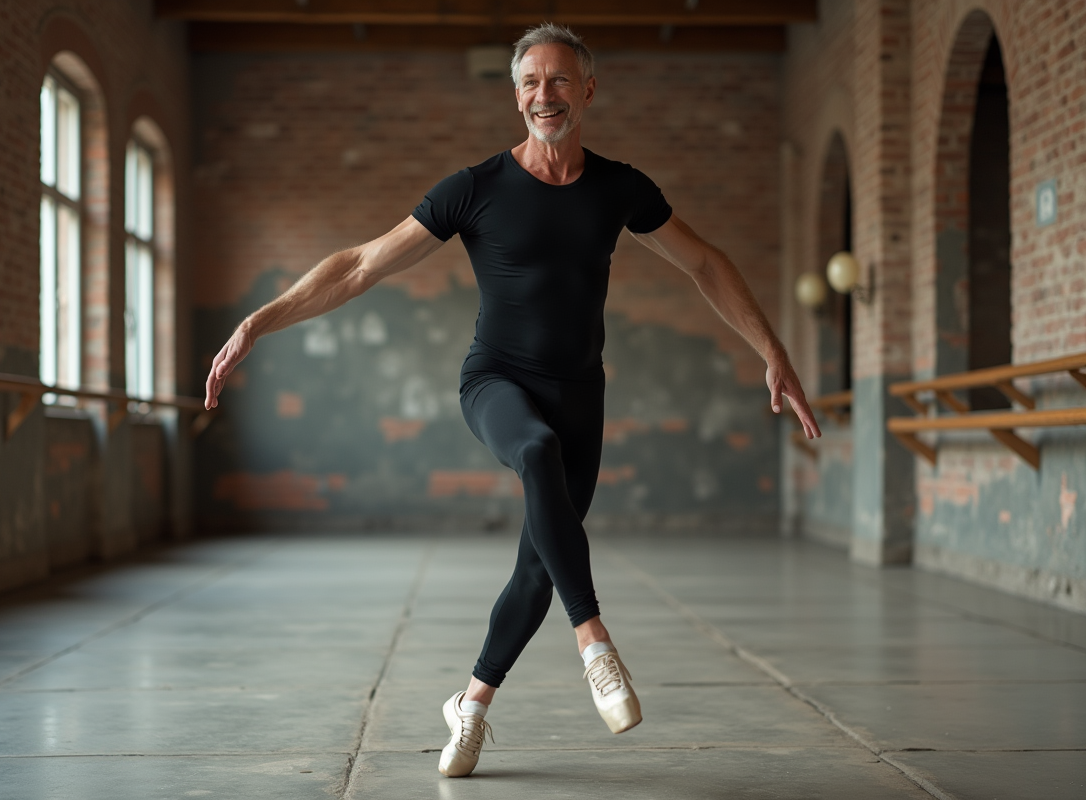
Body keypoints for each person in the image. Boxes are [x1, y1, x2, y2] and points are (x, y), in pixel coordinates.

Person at [204, 23, 822, 779]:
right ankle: (595, 642)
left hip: (581, 394)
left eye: (559, 80)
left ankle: (470, 705)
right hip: (495, 382)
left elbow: (706, 264)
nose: (544, 95)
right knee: (535, 449)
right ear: (516, 95)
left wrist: (772, 349)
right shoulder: (475, 189)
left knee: (539, 565)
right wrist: (257, 322)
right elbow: (361, 265)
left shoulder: (619, 188)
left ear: (587, 91)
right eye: (530, 82)